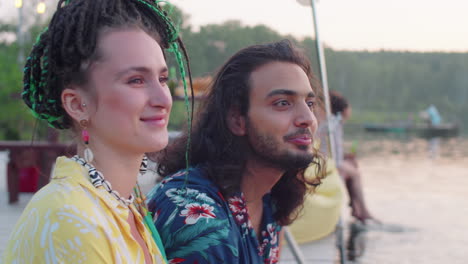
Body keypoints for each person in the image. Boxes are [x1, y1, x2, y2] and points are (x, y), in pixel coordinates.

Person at [3, 0, 191, 263]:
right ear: (78, 105)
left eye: (162, 79)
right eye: (136, 80)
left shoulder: (126, 203)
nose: (163, 98)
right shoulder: (70, 218)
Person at [148, 40, 326, 264]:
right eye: (282, 103)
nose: (308, 119)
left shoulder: (269, 202)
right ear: (236, 119)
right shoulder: (196, 216)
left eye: (309, 103)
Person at [329, 90, 377, 223]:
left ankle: (356, 208)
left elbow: (333, 150)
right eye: (349, 107)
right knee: (355, 173)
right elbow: (332, 154)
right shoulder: (334, 123)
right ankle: (363, 211)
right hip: (331, 163)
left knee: (351, 165)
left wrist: (345, 156)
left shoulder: (334, 123)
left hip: (333, 161)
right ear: (343, 109)